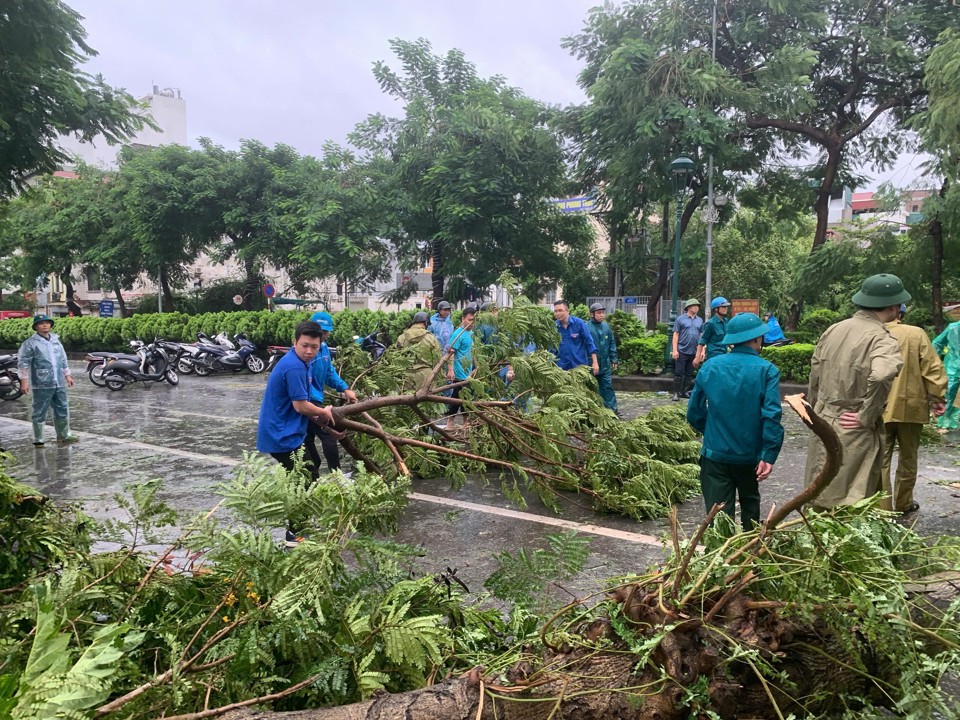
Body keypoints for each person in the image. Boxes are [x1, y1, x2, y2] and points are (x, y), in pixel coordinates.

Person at [803, 273, 908, 511]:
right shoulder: (881, 338)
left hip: (824, 418)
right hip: (853, 424)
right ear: (892, 307)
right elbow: (882, 375)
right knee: (850, 498)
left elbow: (815, 372)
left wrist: (815, 410)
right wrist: (867, 415)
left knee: (819, 489)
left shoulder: (834, 329)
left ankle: (816, 543)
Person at [687, 313, 784, 530]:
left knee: (718, 516)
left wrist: (712, 431)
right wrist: (769, 454)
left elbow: (694, 412)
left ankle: (721, 558)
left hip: (714, 455)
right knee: (750, 505)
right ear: (757, 339)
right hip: (750, 456)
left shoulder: (710, 366)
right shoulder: (767, 370)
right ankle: (749, 555)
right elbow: (772, 416)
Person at [257, 320, 336, 544]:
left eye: (314, 346)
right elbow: (300, 406)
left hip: (291, 431)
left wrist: (321, 419)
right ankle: (295, 535)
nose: (309, 351)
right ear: (294, 343)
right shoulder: (293, 366)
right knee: (305, 479)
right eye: (305, 345)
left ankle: (300, 526)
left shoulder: (303, 363)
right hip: (281, 435)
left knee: (312, 467)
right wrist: (324, 411)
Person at [881, 304, 947, 513]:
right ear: (900, 313)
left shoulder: (870, 333)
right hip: (910, 406)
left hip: (877, 408)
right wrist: (938, 398)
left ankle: (881, 508)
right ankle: (903, 503)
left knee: (879, 461)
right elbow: (932, 367)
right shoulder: (916, 333)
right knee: (908, 458)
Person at [306, 312, 358, 475]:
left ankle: (314, 476)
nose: (322, 335)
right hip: (306, 402)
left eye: (326, 331)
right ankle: (336, 476)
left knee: (309, 440)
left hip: (315, 400)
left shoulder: (324, 349)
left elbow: (329, 373)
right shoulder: (306, 353)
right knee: (328, 436)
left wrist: (344, 388)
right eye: (320, 331)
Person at [18, 314, 79, 447]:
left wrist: (67, 375)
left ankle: (63, 435)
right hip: (42, 383)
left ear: (51, 325)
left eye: (47, 322)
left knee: (62, 407)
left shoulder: (56, 341)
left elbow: (62, 359)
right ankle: (38, 438)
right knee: (40, 410)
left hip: (59, 382)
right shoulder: (30, 344)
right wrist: (24, 381)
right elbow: (24, 363)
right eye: (41, 323)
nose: (45, 325)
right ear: (36, 327)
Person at [444, 306, 477, 425]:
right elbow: (450, 353)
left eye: (473, 320)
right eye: (469, 319)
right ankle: (451, 422)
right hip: (459, 372)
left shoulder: (472, 333)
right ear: (463, 319)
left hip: (468, 372)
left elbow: (472, 351)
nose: (472, 322)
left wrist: (476, 367)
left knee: (465, 398)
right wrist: (451, 370)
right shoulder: (457, 334)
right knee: (457, 397)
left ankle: (463, 424)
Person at [395, 310, 442, 392]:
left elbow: (396, 358)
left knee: (404, 402)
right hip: (426, 376)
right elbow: (437, 360)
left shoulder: (401, 337)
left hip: (406, 376)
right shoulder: (431, 338)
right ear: (426, 323)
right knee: (426, 403)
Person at [586, 303, 619, 413]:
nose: (602, 315)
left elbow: (612, 342)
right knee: (594, 387)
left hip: (605, 363)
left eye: (602, 313)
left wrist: (614, 358)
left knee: (607, 386)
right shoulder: (586, 327)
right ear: (592, 314)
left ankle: (613, 409)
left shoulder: (606, 327)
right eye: (599, 313)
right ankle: (596, 410)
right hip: (591, 363)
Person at [553, 300, 599, 375]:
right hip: (562, 369)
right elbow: (552, 349)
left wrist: (595, 362)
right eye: (555, 311)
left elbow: (589, 342)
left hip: (580, 367)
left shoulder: (579, 324)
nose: (557, 314)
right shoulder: (554, 327)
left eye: (560, 310)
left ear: (568, 311)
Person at [932, 314, 960, 431]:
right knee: (948, 394)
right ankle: (942, 423)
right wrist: (935, 361)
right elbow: (937, 343)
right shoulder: (953, 328)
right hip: (952, 367)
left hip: (952, 366)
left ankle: (953, 423)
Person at [672, 299, 703, 401]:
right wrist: (675, 350)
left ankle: (684, 391)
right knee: (679, 372)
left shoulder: (700, 320)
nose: (696, 308)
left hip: (694, 351)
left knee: (689, 373)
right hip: (682, 349)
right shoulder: (680, 319)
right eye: (694, 306)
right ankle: (676, 393)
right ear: (688, 307)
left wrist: (702, 351)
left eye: (697, 306)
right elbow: (676, 334)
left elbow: (701, 335)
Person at [696, 297, 731, 365]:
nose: (726, 308)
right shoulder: (710, 324)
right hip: (713, 357)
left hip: (724, 355)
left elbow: (728, 339)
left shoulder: (726, 321)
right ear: (716, 309)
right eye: (723, 307)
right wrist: (697, 357)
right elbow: (702, 341)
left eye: (726, 306)